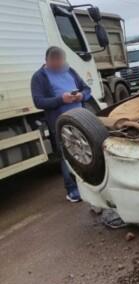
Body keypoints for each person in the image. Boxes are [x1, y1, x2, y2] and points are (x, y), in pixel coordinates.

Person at [31, 46, 92, 203]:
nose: (58, 65)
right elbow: (38, 101)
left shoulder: (69, 70)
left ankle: (89, 184)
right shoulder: (39, 77)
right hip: (60, 124)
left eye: (61, 61)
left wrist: (81, 96)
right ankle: (72, 190)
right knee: (67, 156)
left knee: (86, 153)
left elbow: (87, 89)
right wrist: (61, 100)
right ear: (47, 60)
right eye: (55, 62)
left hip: (80, 120)